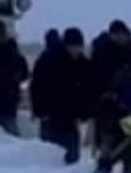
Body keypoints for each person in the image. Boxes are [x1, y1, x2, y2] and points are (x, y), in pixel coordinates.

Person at [31, 28, 93, 164]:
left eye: (79, 47)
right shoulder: (49, 60)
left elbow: (87, 91)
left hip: (71, 119)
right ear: (66, 46)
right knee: (50, 158)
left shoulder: (83, 64)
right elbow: (37, 87)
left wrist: (84, 114)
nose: (76, 51)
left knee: (72, 158)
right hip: (51, 117)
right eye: (73, 47)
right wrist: (40, 111)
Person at [90, 20, 131, 157]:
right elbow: (93, 80)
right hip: (107, 110)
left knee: (130, 149)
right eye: (115, 34)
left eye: (122, 34)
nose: (119, 37)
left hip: (130, 110)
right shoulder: (101, 53)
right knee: (107, 148)